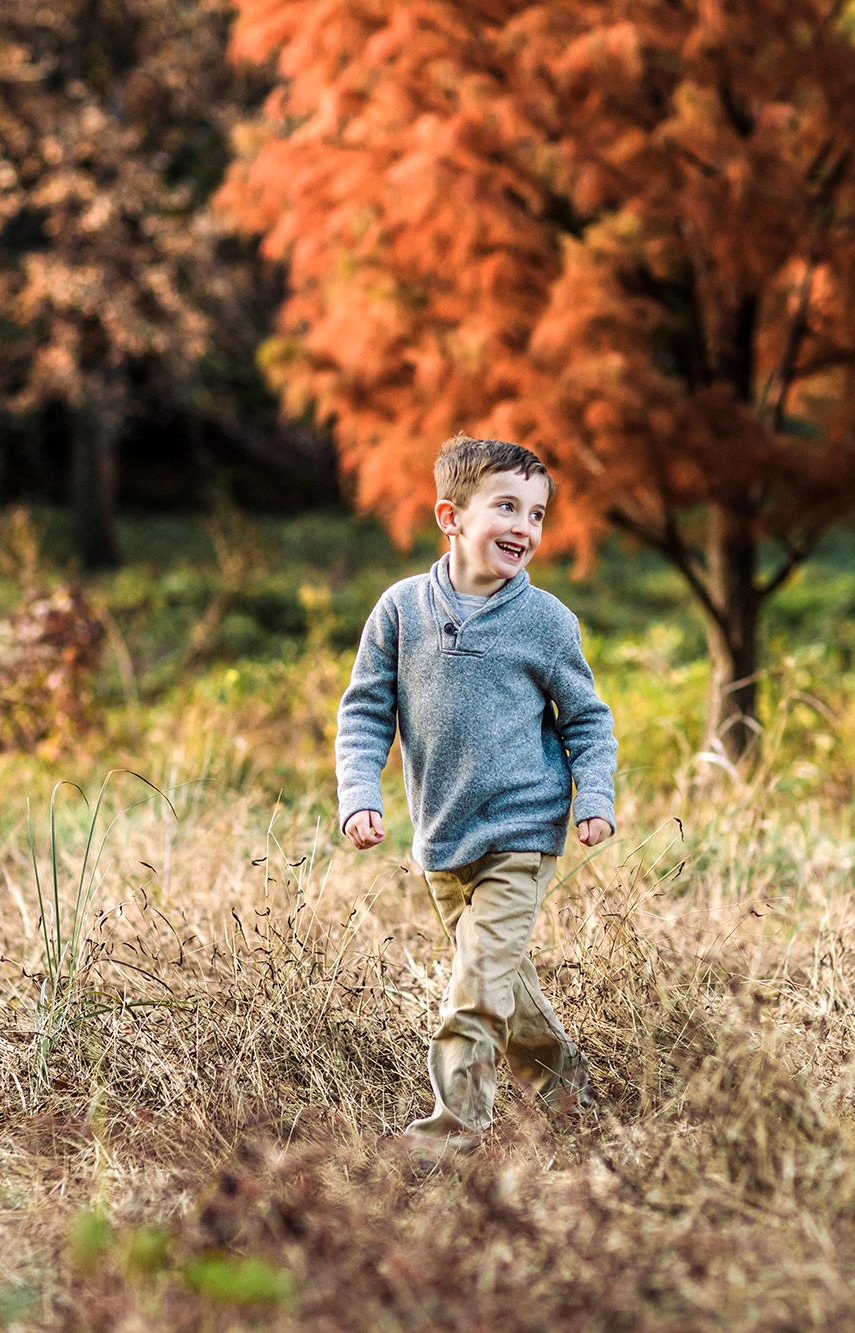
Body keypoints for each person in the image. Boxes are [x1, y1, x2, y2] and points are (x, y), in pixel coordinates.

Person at [335, 434, 619, 1155]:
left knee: (475, 984)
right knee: (500, 983)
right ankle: (572, 1093)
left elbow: (587, 719)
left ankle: (456, 1125)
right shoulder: (401, 611)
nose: (526, 526)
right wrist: (358, 790)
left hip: (523, 830)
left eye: (537, 513)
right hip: (441, 834)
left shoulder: (546, 621)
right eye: (507, 507)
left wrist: (594, 798)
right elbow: (365, 711)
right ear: (450, 515)